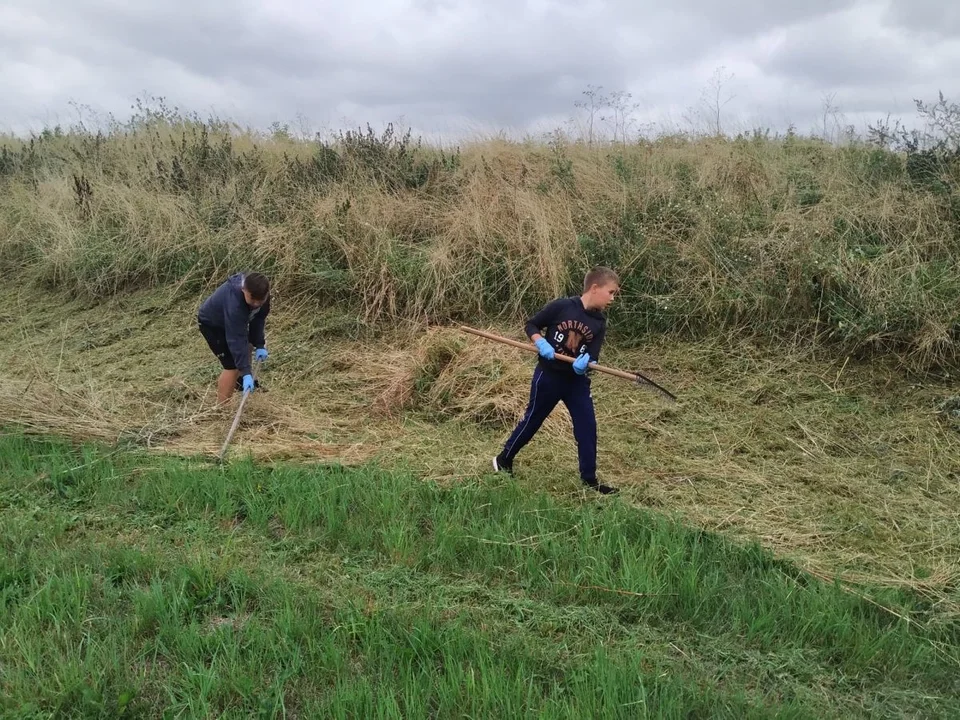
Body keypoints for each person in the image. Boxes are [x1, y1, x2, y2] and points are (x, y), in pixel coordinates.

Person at [493, 267, 620, 494]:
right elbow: (531, 324)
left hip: (576, 383)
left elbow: (593, 356)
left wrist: (585, 365)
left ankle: (589, 481)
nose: (612, 298)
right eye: (611, 292)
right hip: (548, 376)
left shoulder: (599, 322)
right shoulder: (561, 307)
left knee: (587, 428)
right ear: (595, 287)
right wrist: (540, 342)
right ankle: (504, 459)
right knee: (533, 420)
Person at [197, 271, 271, 405]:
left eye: (260, 301)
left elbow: (258, 319)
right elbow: (236, 339)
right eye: (252, 300)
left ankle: (241, 383)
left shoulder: (262, 293)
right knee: (232, 366)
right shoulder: (235, 303)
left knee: (248, 344)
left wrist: (259, 344)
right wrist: (245, 370)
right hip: (212, 324)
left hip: (230, 323)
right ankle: (221, 409)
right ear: (243, 290)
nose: (255, 304)